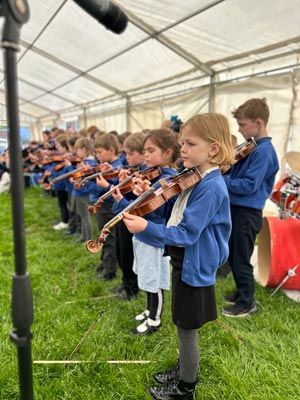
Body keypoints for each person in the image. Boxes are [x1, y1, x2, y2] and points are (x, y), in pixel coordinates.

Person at [122, 113, 234, 399]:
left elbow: (186, 233)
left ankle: (185, 388)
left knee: (186, 328)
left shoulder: (210, 187)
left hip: (193, 265)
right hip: (186, 262)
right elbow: (173, 213)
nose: (183, 149)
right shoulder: (196, 178)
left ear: (213, 149)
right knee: (181, 321)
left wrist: (146, 226)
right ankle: (186, 368)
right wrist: (150, 195)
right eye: (182, 142)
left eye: (190, 144)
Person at [112, 129, 181, 336]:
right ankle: (149, 309)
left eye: (151, 150)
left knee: (154, 280)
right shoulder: (153, 176)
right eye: (144, 151)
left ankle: (155, 319)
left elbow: (161, 212)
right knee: (146, 275)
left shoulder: (168, 180)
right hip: (143, 235)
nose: (146, 156)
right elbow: (141, 207)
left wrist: (133, 198)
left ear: (168, 153)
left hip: (154, 237)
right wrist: (124, 198)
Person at [221, 98, 279, 317]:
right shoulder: (252, 148)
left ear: (258, 123)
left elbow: (248, 185)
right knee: (235, 254)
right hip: (238, 211)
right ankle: (241, 292)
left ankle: (247, 303)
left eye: (243, 125)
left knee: (241, 258)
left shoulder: (263, 152)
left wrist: (221, 179)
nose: (239, 130)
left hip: (247, 213)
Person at [112, 131, 146, 300]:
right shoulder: (137, 170)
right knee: (121, 250)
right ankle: (126, 281)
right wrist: (123, 183)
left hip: (133, 217)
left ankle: (131, 287)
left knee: (128, 253)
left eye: (130, 153)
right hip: (124, 214)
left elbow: (138, 199)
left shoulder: (146, 173)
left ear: (143, 153)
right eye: (125, 153)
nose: (126, 158)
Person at [90, 133, 123, 280]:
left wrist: (104, 184)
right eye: (96, 153)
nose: (97, 156)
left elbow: (117, 189)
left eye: (99, 152)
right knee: (102, 236)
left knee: (108, 237)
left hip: (109, 207)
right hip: (104, 207)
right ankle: (104, 263)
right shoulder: (109, 166)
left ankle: (109, 271)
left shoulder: (118, 167)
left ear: (111, 150)